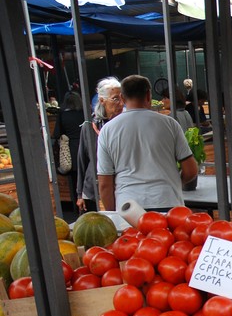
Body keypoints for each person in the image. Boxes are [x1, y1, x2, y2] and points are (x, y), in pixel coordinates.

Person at [97, 75, 197, 212]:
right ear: (149, 95)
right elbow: (191, 170)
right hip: (168, 203)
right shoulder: (170, 124)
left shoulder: (107, 130)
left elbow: (104, 184)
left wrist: (114, 214)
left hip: (128, 207)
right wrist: (173, 184)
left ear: (122, 98)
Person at [77, 77, 123, 213]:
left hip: (120, 187)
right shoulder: (89, 126)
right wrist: (80, 194)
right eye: (115, 99)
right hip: (93, 189)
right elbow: (82, 160)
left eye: (122, 98)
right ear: (102, 100)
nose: (121, 103)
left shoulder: (125, 124)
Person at [52, 91, 85, 210]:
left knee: (75, 181)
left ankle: (78, 208)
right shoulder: (84, 113)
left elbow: (56, 133)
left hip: (72, 151)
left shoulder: (63, 114)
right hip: (86, 147)